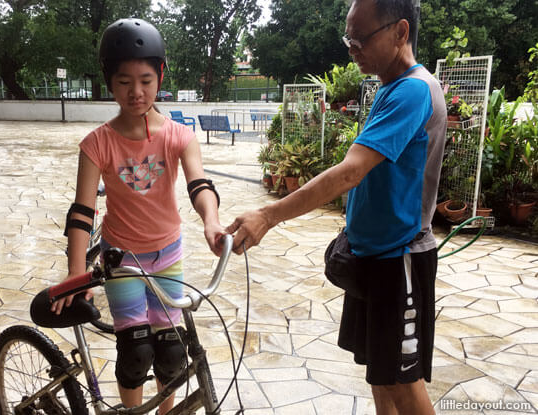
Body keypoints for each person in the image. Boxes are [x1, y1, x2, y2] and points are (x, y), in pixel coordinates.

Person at [226, 0, 446, 414]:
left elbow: (350, 173)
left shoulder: (414, 91)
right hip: (373, 257)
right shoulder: (390, 87)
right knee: (380, 374)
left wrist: (269, 215)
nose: (352, 49)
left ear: (401, 32)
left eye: (361, 39)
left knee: (403, 381)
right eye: (349, 39)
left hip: (400, 259)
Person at [50, 18, 225, 414]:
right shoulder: (97, 143)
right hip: (122, 259)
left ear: (160, 76)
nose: (137, 92)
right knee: (135, 352)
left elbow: (199, 185)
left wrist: (211, 222)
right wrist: (77, 271)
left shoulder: (180, 136)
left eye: (146, 79)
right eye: (125, 81)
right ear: (109, 82)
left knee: (170, 352)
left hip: (168, 254)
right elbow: (82, 211)